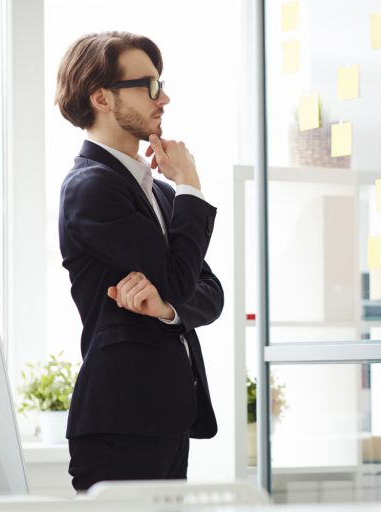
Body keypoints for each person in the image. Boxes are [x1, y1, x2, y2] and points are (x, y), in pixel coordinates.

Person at [55, 31, 223, 491]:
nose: (163, 97)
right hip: (120, 420)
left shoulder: (160, 192)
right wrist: (191, 185)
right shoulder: (91, 187)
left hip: (167, 418)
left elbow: (210, 294)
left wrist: (167, 310)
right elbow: (178, 277)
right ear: (101, 97)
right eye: (148, 86)